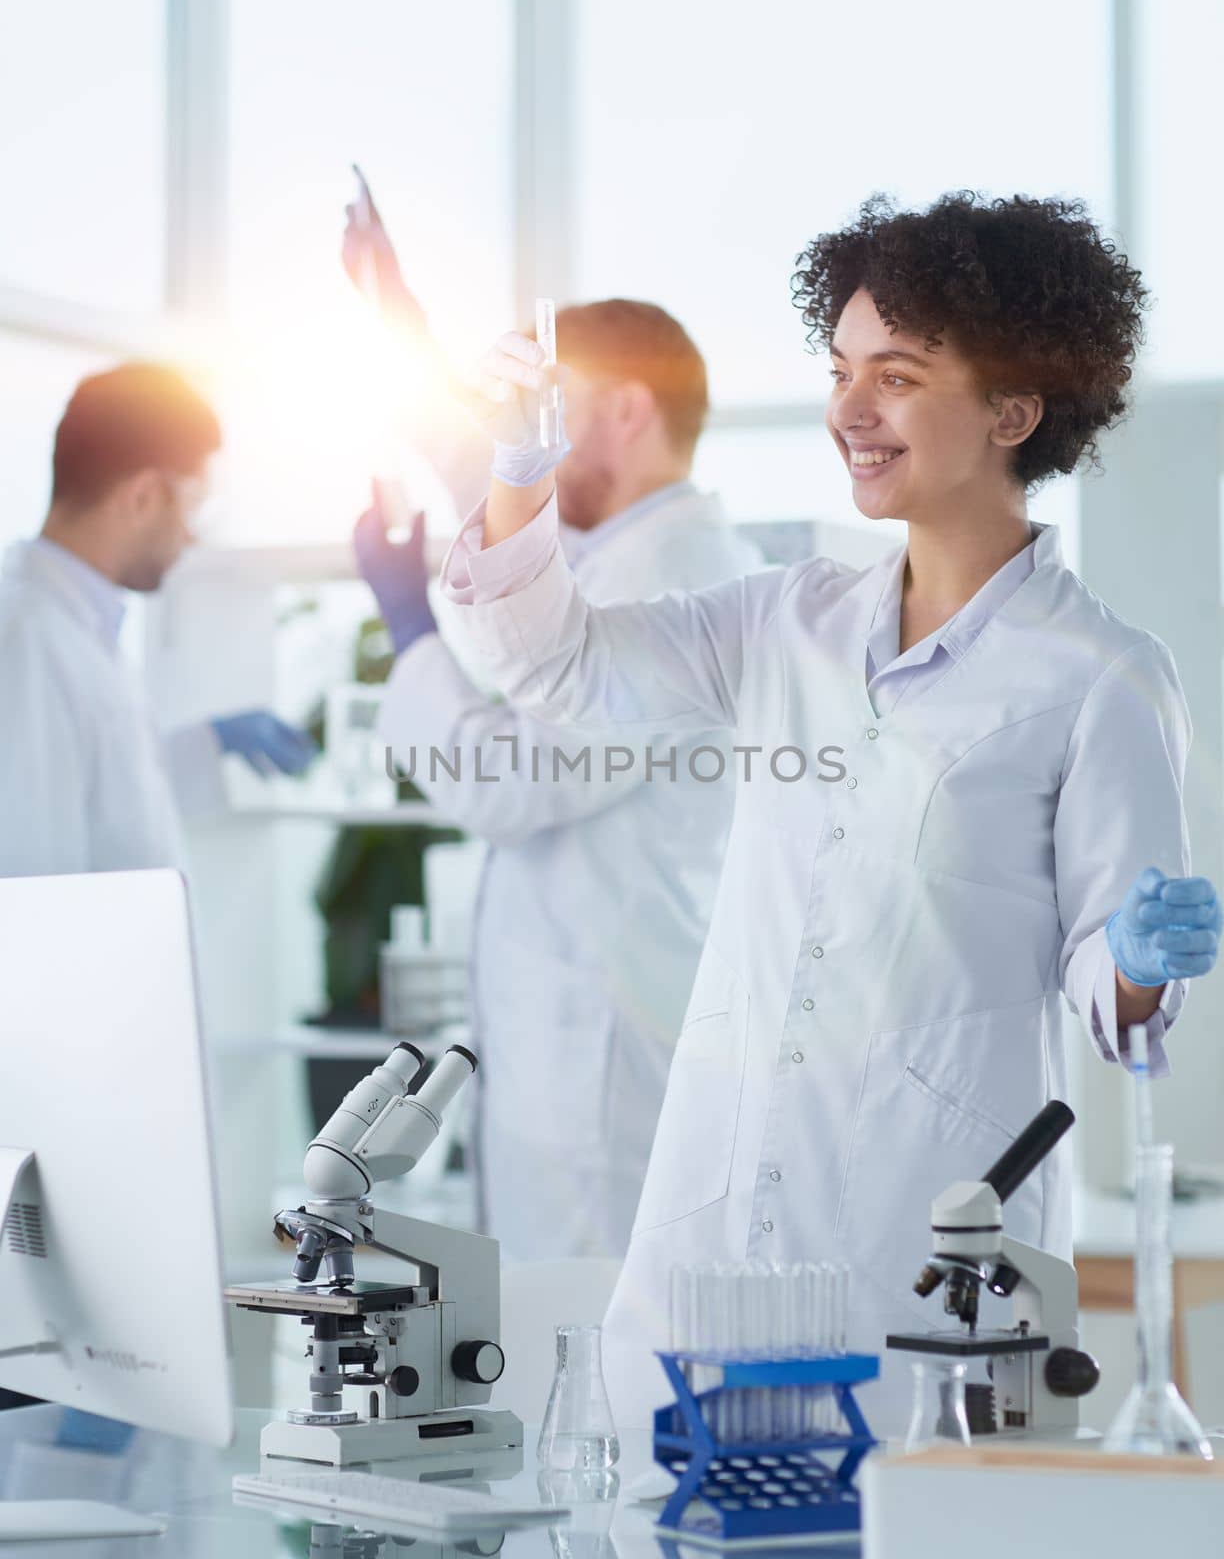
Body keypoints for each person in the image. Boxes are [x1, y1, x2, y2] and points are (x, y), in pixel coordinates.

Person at [431, 192, 1222, 1431]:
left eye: (896, 377)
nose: (849, 410)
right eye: (841, 368)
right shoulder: (780, 621)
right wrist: (519, 471)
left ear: (1014, 412)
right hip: (714, 1243)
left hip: (925, 1245)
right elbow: (556, 666)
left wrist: (1128, 962)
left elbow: (1109, 993)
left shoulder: (1102, 674)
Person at [343, 193, 760, 1259]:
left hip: (602, 1059)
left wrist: (409, 629)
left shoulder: (671, 574)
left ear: (622, 410)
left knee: (593, 1363)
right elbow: (487, 462)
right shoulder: (621, 546)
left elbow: (509, 785)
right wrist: (402, 322)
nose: (521, 436)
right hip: (567, 1031)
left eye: (550, 407)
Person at [0, 362, 315, 878]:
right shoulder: (26, 642)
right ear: (143, 495)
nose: (191, 535)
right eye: (194, 505)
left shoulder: (75, 627)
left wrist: (206, 744)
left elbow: (100, 794)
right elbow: (29, 881)